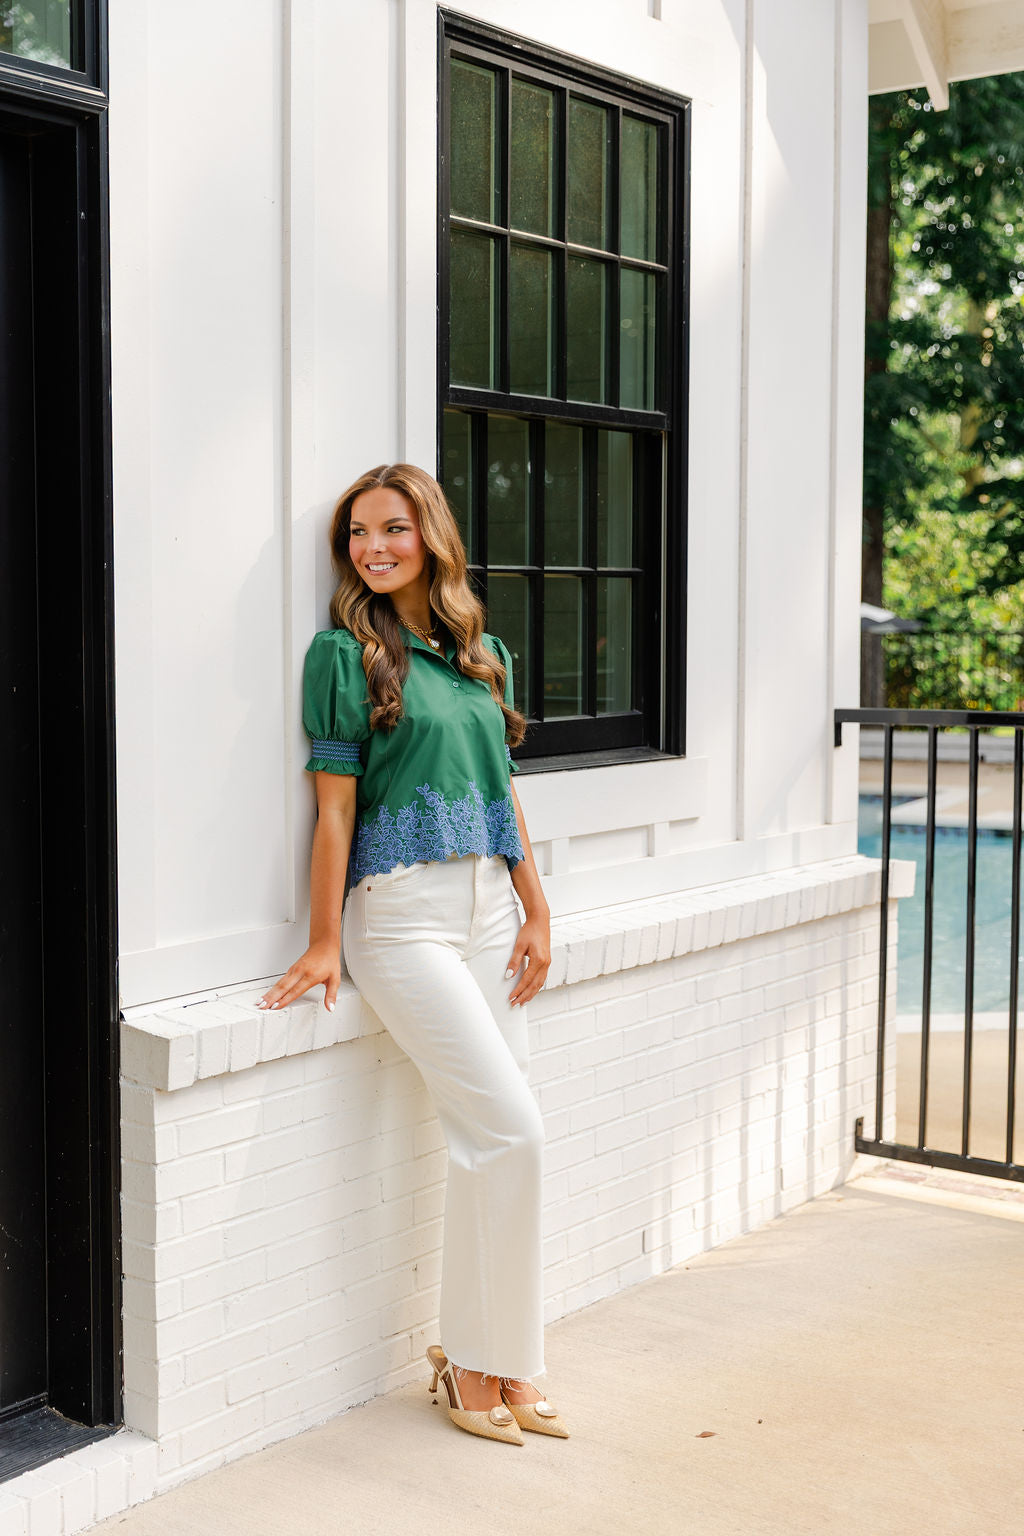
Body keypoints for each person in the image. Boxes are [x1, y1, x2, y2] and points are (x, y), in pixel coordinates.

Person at [257, 463, 568, 1447]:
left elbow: (502, 792)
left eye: (392, 528)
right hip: (400, 918)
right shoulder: (344, 655)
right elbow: (333, 809)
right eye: (356, 532)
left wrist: (535, 907)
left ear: (431, 536)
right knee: (510, 1132)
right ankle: (474, 1366)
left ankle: (500, 1362)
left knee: (494, 1146)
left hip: (488, 909)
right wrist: (320, 940)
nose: (372, 547)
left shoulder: (482, 654)